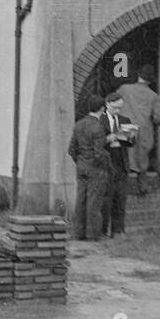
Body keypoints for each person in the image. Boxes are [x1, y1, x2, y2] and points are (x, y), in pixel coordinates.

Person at [67, 94, 112, 241]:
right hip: (96, 169)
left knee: (81, 200)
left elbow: (71, 149)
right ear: (102, 108)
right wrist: (106, 166)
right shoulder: (98, 127)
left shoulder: (79, 124)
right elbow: (99, 154)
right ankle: (93, 235)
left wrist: (80, 161)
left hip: (81, 166)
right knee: (94, 202)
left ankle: (77, 233)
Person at [116, 65, 160, 196]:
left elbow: (113, 103)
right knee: (142, 159)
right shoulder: (154, 96)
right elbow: (158, 118)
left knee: (124, 158)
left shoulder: (124, 89)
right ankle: (142, 186)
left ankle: (121, 189)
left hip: (126, 127)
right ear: (150, 80)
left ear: (138, 76)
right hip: (144, 130)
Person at [99, 89, 136, 238]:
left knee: (120, 198)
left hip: (120, 163)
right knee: (105, 199)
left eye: (120, 108)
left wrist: (132, 137)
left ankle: (118, 230)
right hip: (106, 162)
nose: (118, 110)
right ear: (107, 104)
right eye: (115, 107)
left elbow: (131, 143)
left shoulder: (125, 120)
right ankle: (103, 230)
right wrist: (107, 139)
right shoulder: (99, 120)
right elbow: (94, 142)